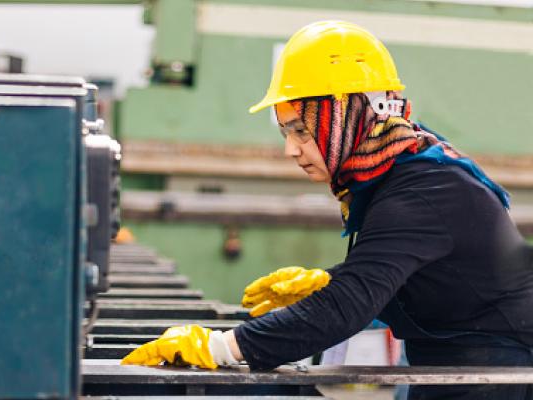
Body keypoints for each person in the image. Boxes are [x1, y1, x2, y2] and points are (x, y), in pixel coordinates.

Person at [121, 20, 533, 399]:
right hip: (452, 358)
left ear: (346, 115)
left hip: (498, 372)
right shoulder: (401, 165)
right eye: (285, 132)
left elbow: (346, 307)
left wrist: (220, 347)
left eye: (301, 130)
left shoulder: (423, 189)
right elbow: (394, 276)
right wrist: (328, 281)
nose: (290, 149)